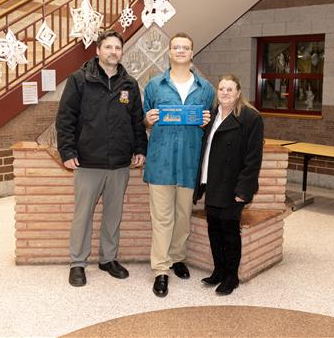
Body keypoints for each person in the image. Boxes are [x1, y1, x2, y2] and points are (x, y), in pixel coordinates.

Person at [56, 30, 147, 287]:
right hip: (87, 162)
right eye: (108, 47)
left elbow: (136, 121)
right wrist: (68, 152)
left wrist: (141, 148)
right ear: (98, 51)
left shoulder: (129, 84)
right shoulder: (79, 80)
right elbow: (65, 119)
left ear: (121, 52)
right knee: (82, 215)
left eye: (117, 48)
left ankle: (108, 259)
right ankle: (77, 263)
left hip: (119, 163)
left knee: (113, 215)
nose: (113, 52)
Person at [143, 32, 215, 297]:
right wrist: (147, 120)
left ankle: (177, 257)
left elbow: (211, 126)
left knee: (183, 216)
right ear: (169, 52)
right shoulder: (154, 86)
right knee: (162, 218)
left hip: (189, 161)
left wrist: (206, 121)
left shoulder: (206, 88)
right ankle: (161, 270)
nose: (181, 51)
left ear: (192, 53)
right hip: (160, 161)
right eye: (176, 47)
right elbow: (145, 121)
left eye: (186, 47)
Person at [193, 74, 264, 295]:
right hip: (212, 181)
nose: (225, 93)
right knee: (214, 228)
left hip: (233, 185)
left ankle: (231, 276)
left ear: (238, 92)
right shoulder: (212, 115)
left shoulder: (250, 118)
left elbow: (253, 158)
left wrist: (244, 189)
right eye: (221, 89)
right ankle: (219, 270)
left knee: (230, 231)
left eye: (229, 89)